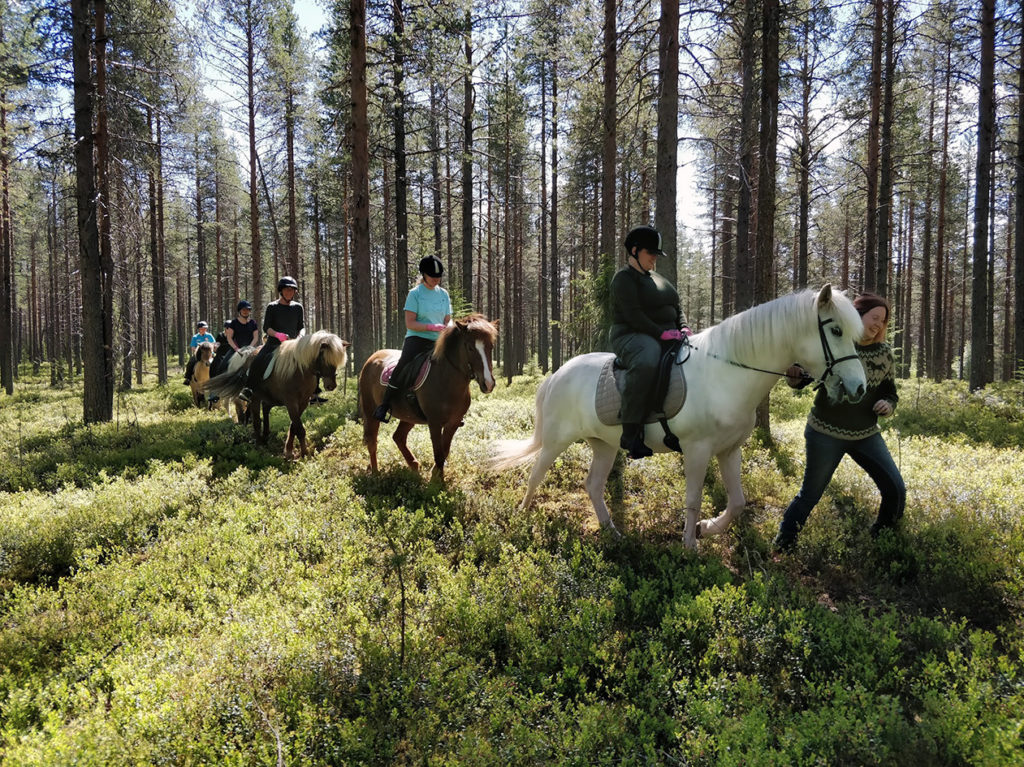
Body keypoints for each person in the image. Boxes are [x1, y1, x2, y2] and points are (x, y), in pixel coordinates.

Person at [773, 292, 906, 550]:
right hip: (825, 433)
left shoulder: (884, 353)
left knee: (895, 488)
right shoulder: (835, 341)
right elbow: (801, 379)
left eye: (883, 321)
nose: (879, 323)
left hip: (865, 435)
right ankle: (784, 542)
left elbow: (890, 392)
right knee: (810, 495)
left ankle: (883, 537)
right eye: (875, 317)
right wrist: (794, 376)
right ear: (858, 314)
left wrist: (888, 405)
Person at [609, 224, 690, 459]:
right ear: (635, 251)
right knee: (648, 359)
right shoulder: (623, 279)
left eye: (656, 254)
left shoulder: (658, 279)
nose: (655, 258)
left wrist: (683, 326)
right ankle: (631, 433)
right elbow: (634, 316)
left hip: (664, 333)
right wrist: (662, 334)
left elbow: (676, 307)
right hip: (630, 335)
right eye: (651, 253)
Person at [373, 255, 452, 422]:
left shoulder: (444, 294)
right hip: (418, 339)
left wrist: (448, 326)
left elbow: (447, 318)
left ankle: (454, 407)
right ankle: (385, 405)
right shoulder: (415, 294)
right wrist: (431, 327)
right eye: (432, 276)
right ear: (424, 275)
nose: (436, 280)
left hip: (439, 340)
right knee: (402, 366)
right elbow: (410, 323)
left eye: (439, 277)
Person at [238, 277, 305, 403]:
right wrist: (277, 334)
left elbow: (301, 327)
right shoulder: (272, 307)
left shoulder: (298, 307)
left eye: (292, 290)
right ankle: (248, 389)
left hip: (293, 345)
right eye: (287, 289)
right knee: (258, 360)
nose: (289, 292)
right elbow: (266, 328)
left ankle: (314, 391)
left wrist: (301, 335)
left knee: (312, 360)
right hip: (274, 344)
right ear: (281, 291)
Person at [184, 321, 216, 385]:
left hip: (209, 354)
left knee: (218, 362)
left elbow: (214, 344)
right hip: (199, 354)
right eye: (202, 328)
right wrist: (197, 351)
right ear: (199, 329)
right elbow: (193, 347)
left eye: (205, 328)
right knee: (191, 362)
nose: (204, 330)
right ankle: (188, 378)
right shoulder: (195, 337)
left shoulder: (209, 336)